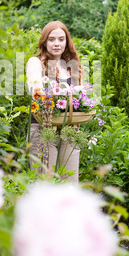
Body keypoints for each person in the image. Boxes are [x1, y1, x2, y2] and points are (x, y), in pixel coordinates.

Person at [25, 21, 84, 183]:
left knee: (70, 181)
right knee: (43, 180)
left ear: (67, 42)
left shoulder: (74, 67)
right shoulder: (36, 63)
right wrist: (66, 93)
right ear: (44, 42)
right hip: (43, 126)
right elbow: (35, 89)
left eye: (61, 39)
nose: (56, 43)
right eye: (51, 39)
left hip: (70, 128)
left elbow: (81, 99)